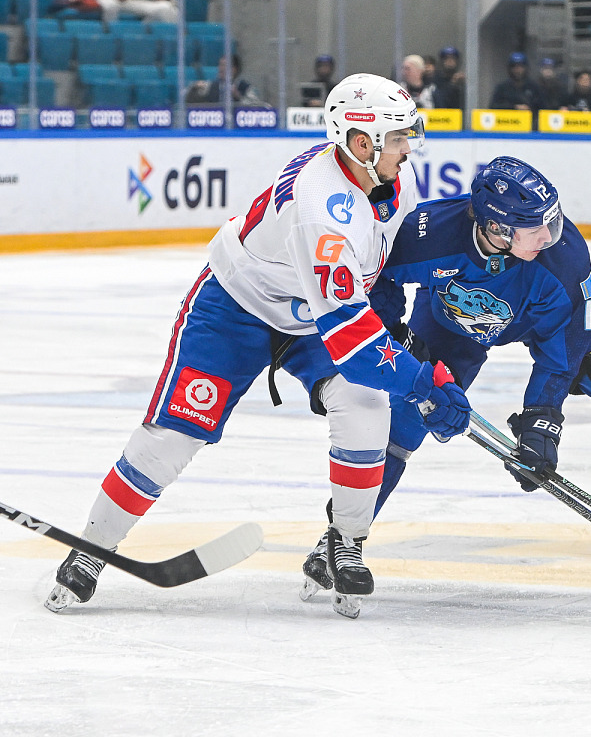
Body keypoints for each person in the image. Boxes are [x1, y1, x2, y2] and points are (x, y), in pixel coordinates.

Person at [44, 73, 471, 619]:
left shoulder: (392, 181)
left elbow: (378, 271)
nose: (408, 148)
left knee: (365, 405)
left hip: (311, 317)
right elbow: (352, 339)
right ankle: (92, 548)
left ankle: (347, 541)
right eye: (397, 138)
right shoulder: (322, 209)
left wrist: (398, 330)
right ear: (361, 143)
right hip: (236, 309)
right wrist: (421, 382)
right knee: (172, 437)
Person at [297, 157, 591, 594]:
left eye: (551, 221)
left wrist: (542, 419)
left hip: (563, 322)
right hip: (457, 323)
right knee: (405, 419)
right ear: (496, 228)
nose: (549, 236)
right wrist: (399, 336)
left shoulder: (564, 257)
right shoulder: (429, 233)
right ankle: (343, 536)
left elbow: (562, 353)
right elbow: (375, 278)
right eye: (533, 227)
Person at [188, 54, 262, 105]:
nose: (220, 68)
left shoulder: (246, 88)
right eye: (220, 65)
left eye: (224, 65)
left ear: (234, 69)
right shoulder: (211, 86)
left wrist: (238, 96)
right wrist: (194, 88)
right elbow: (188, 98)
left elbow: (256, 107)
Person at [432, 46, 464, 110]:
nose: (450, 61)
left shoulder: (461, 80)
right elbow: (440, 99)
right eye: (446, 58)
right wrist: (452, 84)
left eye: (453, 58)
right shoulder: (436, 79)